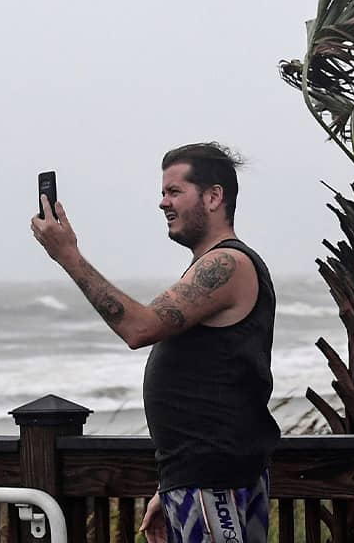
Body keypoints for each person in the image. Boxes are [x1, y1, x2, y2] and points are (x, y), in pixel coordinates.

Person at [30, 142, 280, 543]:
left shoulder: (227, 264)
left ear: (214, 196)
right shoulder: (209, 266)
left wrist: (68, 255)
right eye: (163, 192)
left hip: (214, 484)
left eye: (174, 192)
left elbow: (139, 327)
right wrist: (170, 486)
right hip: (196, 481)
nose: (162, 202)